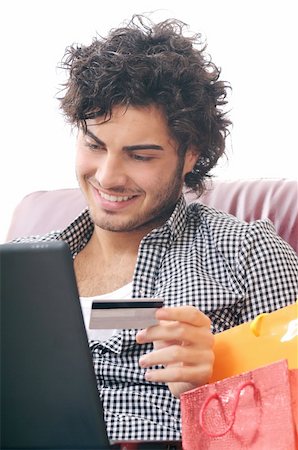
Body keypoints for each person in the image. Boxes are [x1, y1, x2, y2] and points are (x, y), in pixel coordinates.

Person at [14, 14, 298, 444]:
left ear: (189, 156)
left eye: (141, 156)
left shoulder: (248, 251)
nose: (108, 177)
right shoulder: (19, 268)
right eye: (94, 145)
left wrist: (221, 373)